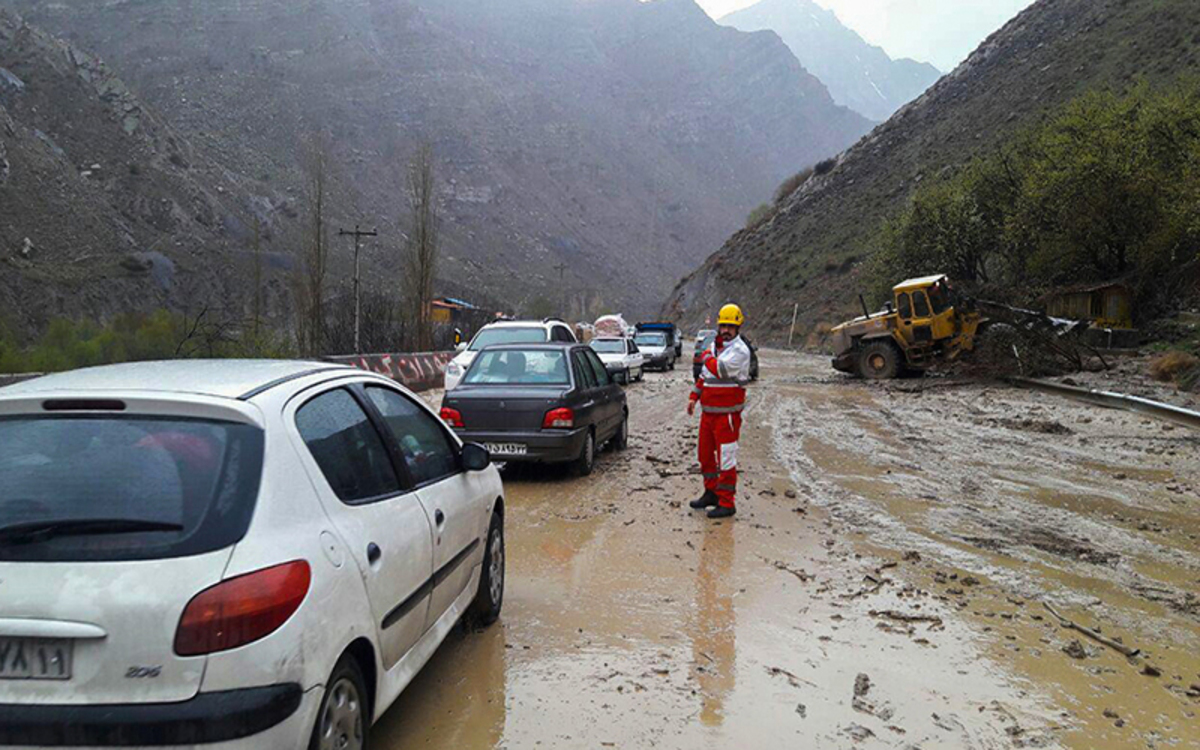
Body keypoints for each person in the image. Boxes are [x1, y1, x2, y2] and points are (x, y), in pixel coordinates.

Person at [688, 304, 752, 519]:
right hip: (708, 414)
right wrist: (693, 397)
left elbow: (720, 369)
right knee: (705, 456)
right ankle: (711, 493)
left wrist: (706, 356)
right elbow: (705, 376)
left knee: (726, 459)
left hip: (727, 416)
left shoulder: (740, 351)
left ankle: (727, 502)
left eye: (730, 327)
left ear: (738, 327)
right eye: (723, 325)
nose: (726, 330)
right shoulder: (715, 348)